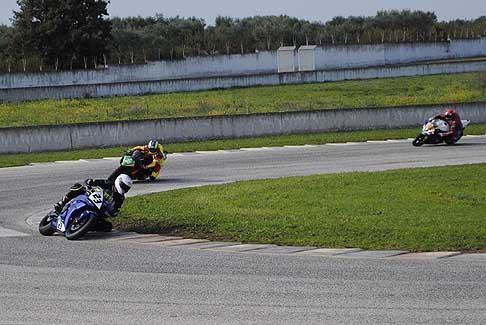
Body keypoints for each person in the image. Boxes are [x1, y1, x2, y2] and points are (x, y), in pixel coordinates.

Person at [53, 174, 133, 231]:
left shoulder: (120, 198)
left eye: (127, 189)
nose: (124, 189)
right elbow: (90, 181)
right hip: (89, 198)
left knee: (108, 226)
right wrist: (88, 184)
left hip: (100, 210)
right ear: (119, 182)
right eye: (124, 187)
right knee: (78, 187)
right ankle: (61, 203)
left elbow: (115, 212)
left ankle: (85, 226)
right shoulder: (107, 183)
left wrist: (109, 212)